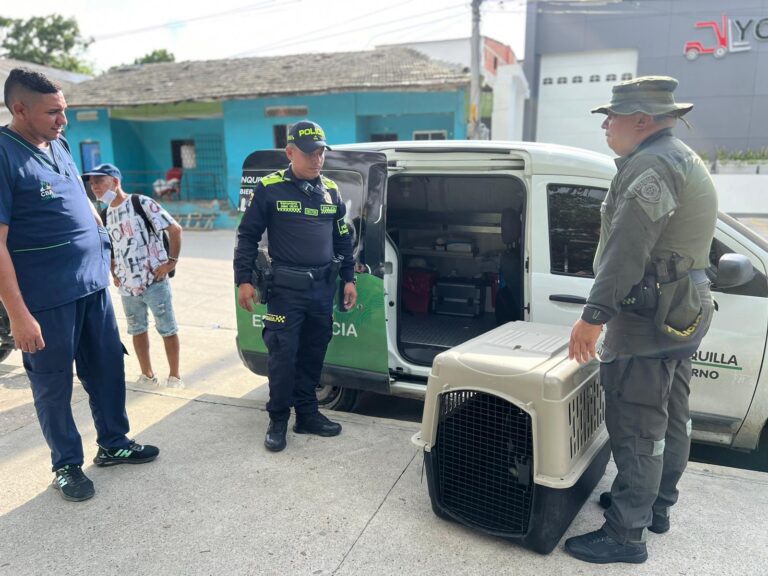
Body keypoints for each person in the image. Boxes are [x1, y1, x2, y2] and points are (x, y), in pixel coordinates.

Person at [565, 76, 717, 564]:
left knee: (636, 422)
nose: (606, 124)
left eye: (612, 117)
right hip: (680, 307)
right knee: (670, 414)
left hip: (649, 314)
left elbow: (627, 251)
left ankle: (626, 534)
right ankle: (655, 506)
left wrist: (593, 316)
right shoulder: (681, 158)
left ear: (641, 121)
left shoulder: (652, 165)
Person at [0, 68, 159, 503]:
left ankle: (114, 443)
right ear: (19, 109)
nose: (62, 120)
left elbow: (83, 201)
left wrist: (105, 248)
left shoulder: (60, 145)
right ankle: (65, 465)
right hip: (46, 299)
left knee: (107, 367)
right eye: (53, 112)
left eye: (64, 110)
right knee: (53, 384)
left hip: (91, 289)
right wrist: (18, 314)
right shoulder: (3, 154)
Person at [234, 120, 357, 452]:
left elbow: (343, 238)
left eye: (320, 152)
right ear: (290, 152)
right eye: (309, 153)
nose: (317, 159)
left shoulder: (331, 189)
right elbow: (247, 236)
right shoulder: (270, 187)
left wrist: (349, 278)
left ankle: (308, 415)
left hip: (322, 290)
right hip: (285, 293)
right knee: (283, 355)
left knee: (314, 352)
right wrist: (243, 280)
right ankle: (277, 420)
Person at [84, 163, 184, 389]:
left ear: (115, 182)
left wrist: (171, 263)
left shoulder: (141, 203)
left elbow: (175, 229)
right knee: (137, 330)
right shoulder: (105, 214)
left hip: (154, 281)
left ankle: (175, 376)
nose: (95, 188)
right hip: (127, 286)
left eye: (100, 182)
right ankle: (147, 375)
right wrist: (113, 271)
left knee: (167, 328)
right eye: (92, 184)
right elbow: (109, 246)